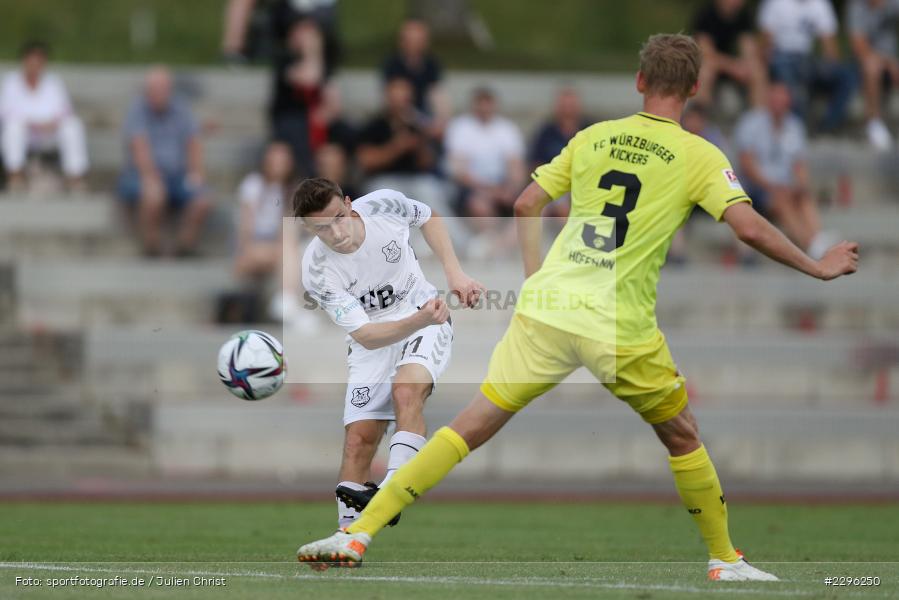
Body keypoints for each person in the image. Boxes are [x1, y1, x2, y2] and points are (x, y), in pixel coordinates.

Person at [298, 33, 859, 580]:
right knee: (683, 435)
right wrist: (816, 265)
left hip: (546, 308)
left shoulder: (595, 137)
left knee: (467, 429)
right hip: (617, 322)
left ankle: (356, 533)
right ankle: (725, 561)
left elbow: (525, 203)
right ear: (692, 89)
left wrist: (535, 281)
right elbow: (748, 228)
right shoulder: (699, 155)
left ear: (639, 82)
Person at [295, 177, 483, 531]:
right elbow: (366, 335)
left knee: (406, 390)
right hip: (379, 335)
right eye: (322, 228)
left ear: (349, 204)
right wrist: (418, 319)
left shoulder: (384, 205)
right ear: (309, 230)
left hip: (425, 314)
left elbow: (428, 216)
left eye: (338, 217)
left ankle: (389, 492)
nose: (336, 232)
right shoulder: (317, 271)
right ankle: (347, 538)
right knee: (358, 441)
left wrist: (454, 273)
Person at [119, 66, 212, 257]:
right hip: (140, 174)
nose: (159, 94)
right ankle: (151, 247)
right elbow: (139, 147)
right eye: (154, 89)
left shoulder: (181, 108)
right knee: (154, 194)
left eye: (163, 89)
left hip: (177, 175)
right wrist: (150, 176)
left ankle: (185, 247)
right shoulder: (138, 109)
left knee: (203, 198)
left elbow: (193, 142)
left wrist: (196, 172)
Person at [734, 82, 835, 259]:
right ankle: (809, 246)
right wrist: (772, 186)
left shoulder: (794, 126)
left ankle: (817, 239)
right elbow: (747, 165)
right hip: (757, 188)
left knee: (803, 196)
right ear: (768, 100)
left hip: (785, 185)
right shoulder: (751, 123)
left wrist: (801, 184)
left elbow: (799, 164)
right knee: (781, 199)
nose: (779, 104)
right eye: (775, 100)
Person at [0, 40, 88, 191]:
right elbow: (5, 112)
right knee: (13, 127)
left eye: (38, 61)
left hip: (50, 133)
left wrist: (52, 123)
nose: (35, 65)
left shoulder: (54, 82)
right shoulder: (11, 82)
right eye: (31, 61)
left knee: (73, 125)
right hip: (24, 133)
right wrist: (32, 124)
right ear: (24, 61)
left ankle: (75, 177)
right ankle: (15, 175)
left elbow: (65, 110)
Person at [758, 0, 856, 132]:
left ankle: (826, 126)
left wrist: (829, 67)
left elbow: (830, 47)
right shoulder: (775, 3)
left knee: (846, 76)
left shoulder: (820, 4)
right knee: (793, 86)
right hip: (781, 57)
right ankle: (797, 131)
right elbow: (766, 43)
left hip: (807, 60)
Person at [381, 17, 451, 139]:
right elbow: (396, 100)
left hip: (424, 113)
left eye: (418, 40)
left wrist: (442, 121)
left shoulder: (431, 64)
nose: (414, 43)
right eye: (411, 39)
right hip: (401, 116)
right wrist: (422, 123)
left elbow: (437, 93)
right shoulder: (392, 64)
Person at [234, 141, 294, 279]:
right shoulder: (253, 184)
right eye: (273, 160)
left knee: (288, 251)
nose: (277, 165)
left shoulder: (292, 190)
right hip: (254, 241)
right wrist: (245, 249)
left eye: (281, 161)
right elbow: (246, 224)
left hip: (279, 244)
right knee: (287, 255)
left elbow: (287, 228)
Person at [691, 0, 767, 107]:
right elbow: (706, 53)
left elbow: (748, 46)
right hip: (712, 64)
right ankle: (699, 115)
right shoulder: (705, 14)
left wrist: (748, 64)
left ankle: (758, 117)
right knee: (705, 70)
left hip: (730, 65)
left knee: (757, 69)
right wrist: (733, 67)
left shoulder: (743, 15)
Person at [847, 0, 899, 150]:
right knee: (871, 67)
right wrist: (889, 63)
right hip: (862, 63)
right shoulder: (856, 6)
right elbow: (859, 46)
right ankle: (874, 124)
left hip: (890, 62)